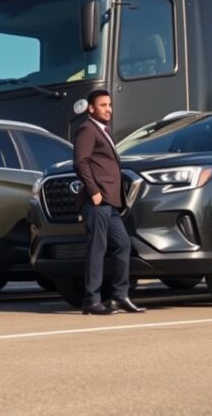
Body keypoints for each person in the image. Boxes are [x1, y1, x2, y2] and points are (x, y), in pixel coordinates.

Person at [73, 90, 145, 315]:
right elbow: (80, 162)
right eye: (103, 105)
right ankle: (91, 300)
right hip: (98, 200)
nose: (109, 109)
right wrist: (93, 191)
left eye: (110, 105)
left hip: (111, 202)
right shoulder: (87, 129)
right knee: (97, 248)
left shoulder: (105, 132)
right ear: (91, 109)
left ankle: (119, 295)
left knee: (122, 244)